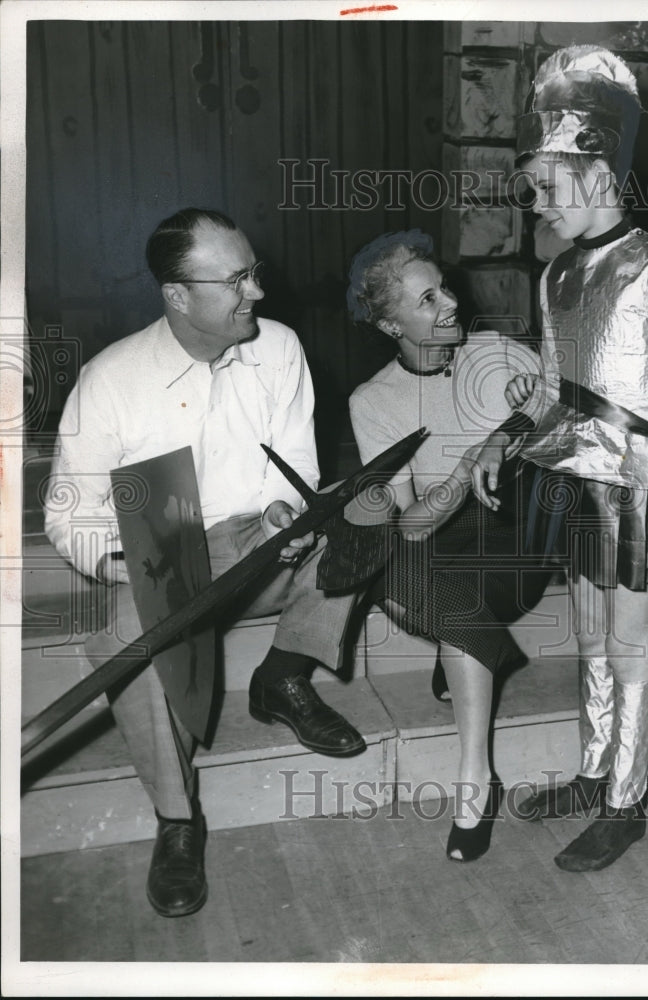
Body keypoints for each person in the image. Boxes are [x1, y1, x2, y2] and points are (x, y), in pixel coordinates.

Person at [45, 208, 366, 917]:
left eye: (255, 272)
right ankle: (177, 818)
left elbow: (297, 466)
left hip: (258, 543)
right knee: (127, 636)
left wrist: (292, 509)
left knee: (363, 519)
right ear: (178, 295)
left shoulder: (278, 348)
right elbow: (70, 515)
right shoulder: (111, 379)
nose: (257, 291)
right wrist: (123, 565)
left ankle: (281, 680)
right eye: (238, 279)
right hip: (163, 552)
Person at [471, 45, 648, 871]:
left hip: (637, 489)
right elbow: (548, 380)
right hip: (572, 475)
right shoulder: (558, 272)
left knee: (630, 645)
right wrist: (504, 440)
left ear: (602, 174)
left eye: (549, 186)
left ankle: (625, 801)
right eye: (533, 188)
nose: (537, 203)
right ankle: (592, 767)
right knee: (590, 639)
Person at [347, 230, 552, 863]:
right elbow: (410, 525)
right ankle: (478, 774)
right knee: (391, 559)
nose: (451, 306)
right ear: (390, 324)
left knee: (439, 586)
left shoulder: (497, 354)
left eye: (446, 289)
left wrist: (528, 414)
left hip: (516, 542)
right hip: (439, 541)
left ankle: (472, 777)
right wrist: (467, 465)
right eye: (428, 300)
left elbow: (567, 399)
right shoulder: (373, 402)